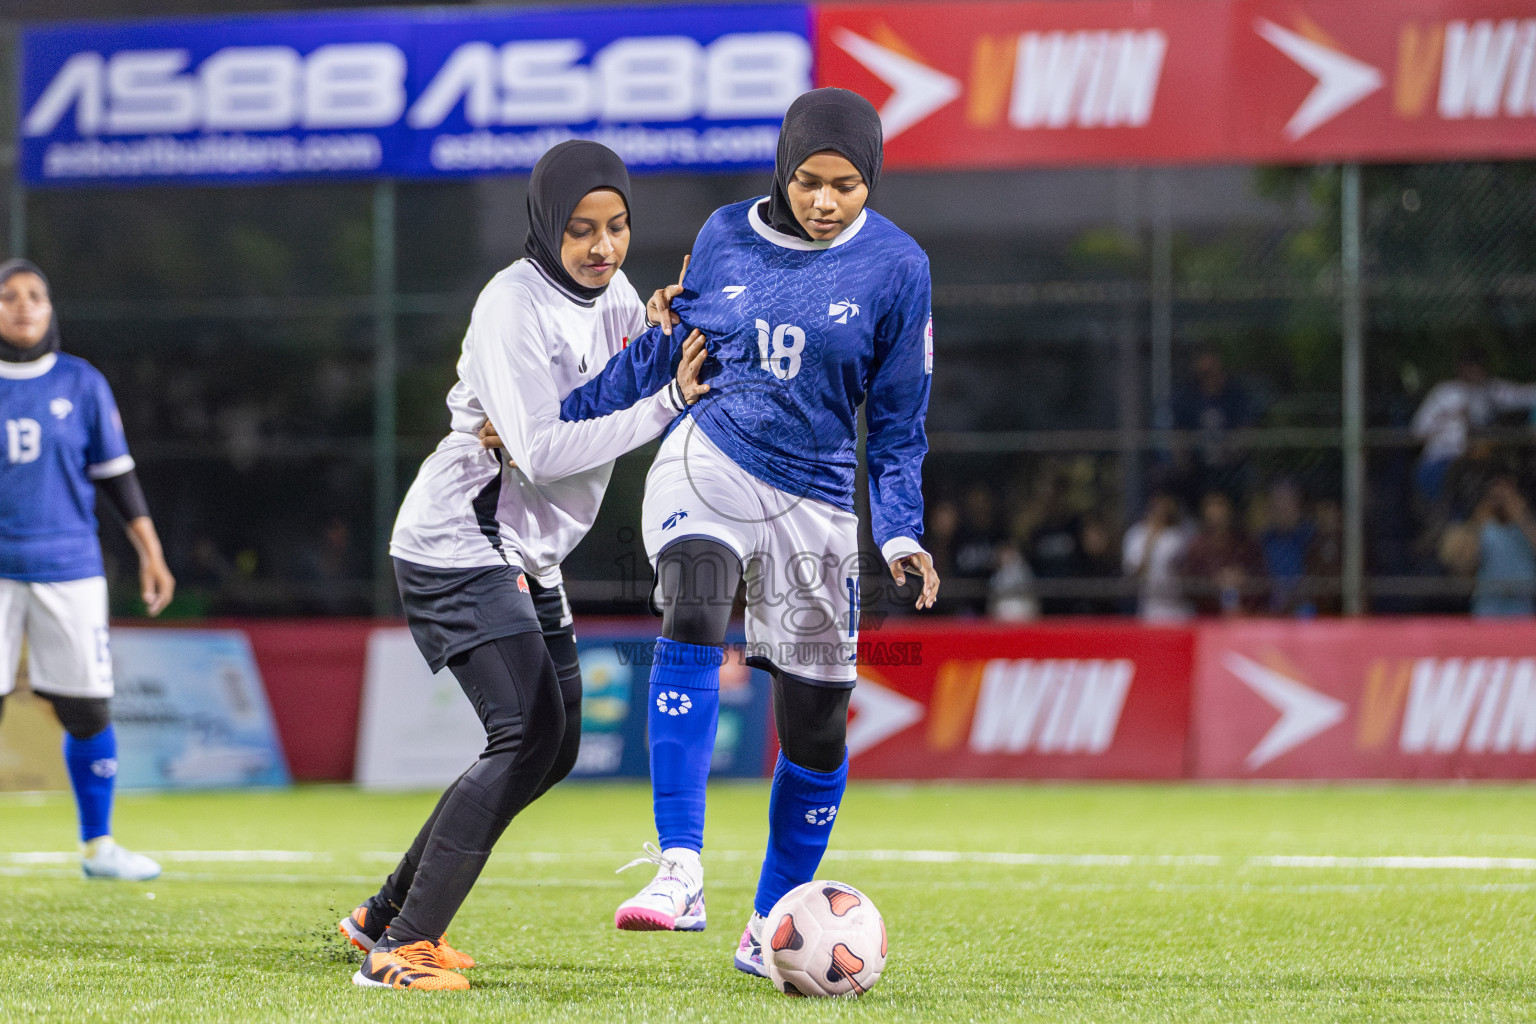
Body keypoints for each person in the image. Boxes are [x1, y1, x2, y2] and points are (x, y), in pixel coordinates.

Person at [557, 88, 938, 977]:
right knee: (694, 599)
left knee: (815, 729)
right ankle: (679, 868)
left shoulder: (898, 267)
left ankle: (770, 927)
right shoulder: (726, 232)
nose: (824, 201)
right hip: (711, 455)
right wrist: (564, 419)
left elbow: (899, 420)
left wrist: (902, 536)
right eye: (808, 180)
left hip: (817, 499)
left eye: (846, 185)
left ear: (869, 181)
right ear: (783, 168)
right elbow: (666, 352)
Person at [337, 141, 708, 991]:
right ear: (546, 226)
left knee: (559, 742)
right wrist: (670, 402)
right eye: (581, 229)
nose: (603, 247)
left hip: (526, 553)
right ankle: (404, 950)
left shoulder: (612, 293)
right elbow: (540, 452)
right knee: (526, 732)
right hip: (457, 540)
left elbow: (606, 388)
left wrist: (657, 335)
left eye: (615, 227)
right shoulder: (512, 303)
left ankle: (380, 918)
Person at [0, 258, 175, 881]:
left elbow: (116, 477)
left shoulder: (81, 382)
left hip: (69, 567)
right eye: (9, 295)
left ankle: (99, 847)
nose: (23, 305)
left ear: (51, 309)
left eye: (35, 295)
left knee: (87, 709)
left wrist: (150, 552)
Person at [1411, 348, 1536, 506]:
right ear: (1461, 368)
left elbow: (1524, 395)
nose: (1475, 370)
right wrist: (1452, 418)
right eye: (1470, 365)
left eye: (1479, 365)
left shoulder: (1490, 391)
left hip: (1478, 464)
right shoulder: (1445, 392)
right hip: (1439, 463)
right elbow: (1417, 431)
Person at [1179, 490, 1266, 616]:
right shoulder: (1196, 547)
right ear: (1204, 511)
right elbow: (1187, 586)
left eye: (1220, 505)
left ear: (1230, 509)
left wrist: (1243, 578)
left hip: (1245, 617)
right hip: (1208, 618)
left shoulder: (1245, 544)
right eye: (1211, 506)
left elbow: (1263, 580)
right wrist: (1213, 583)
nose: (1216, 512)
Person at [1121, 489, 1192, 622]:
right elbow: (1133, 575)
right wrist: (1150, 544)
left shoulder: (1180, 534)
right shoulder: (1137, 534)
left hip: (1180, 606)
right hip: (1151, 607)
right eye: (1158, 505)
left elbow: (1189, 571)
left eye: (1167, 505)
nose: (1162, 510)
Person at [1258, 479, 1316, 615]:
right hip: (1270, 605)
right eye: (1277, 502)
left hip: (1304, 604)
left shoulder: (1311, 538)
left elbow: (1317, 579)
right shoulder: (1262, 541)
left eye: (1288, 501)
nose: (1282, 507)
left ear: (1298, 505)